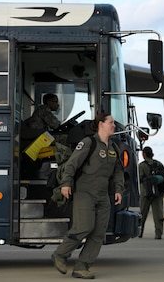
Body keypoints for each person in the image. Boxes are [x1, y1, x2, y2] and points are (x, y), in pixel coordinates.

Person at [51, 113, 124, 279]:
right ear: (101, 124)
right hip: (85, 192)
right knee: (84, 226)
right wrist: (66, 183)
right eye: (111, 122)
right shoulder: (88, 143)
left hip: (103, 195)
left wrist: (118, 190)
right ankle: (60, 255)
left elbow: (118, 172)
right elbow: (72, 164)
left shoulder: (114, 148)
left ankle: (82, 266)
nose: (114, 125)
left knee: (99, 233)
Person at [138, 146, 164, 239]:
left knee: (142, 214)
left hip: (146, 192)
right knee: (158, 214)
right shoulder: (158, 164)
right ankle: (159, 233)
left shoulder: (142, 165)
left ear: (144, 154)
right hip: (158, 192)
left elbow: (139, 178)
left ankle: (139, 232)